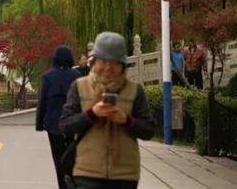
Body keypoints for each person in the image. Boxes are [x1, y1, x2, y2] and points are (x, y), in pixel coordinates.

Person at [60, 32, 156, 189]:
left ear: (123, 65)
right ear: (94, 61)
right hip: (87, 172)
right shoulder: (79, 86)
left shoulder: (134, 90)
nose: (108, 67)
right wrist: (92, 114)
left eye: (115, 62)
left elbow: (149, 130)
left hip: (125, 174)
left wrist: (126, 120)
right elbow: (65, 125)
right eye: (103, 61)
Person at [35, 46, 80, 189]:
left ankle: (63, 184)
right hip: (72, 123)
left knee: (58, 157)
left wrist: (39, 123)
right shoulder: (77, 75)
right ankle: (71, 179)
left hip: (53, 123)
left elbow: (42, 101)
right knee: (72, 155)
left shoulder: (47, 77)